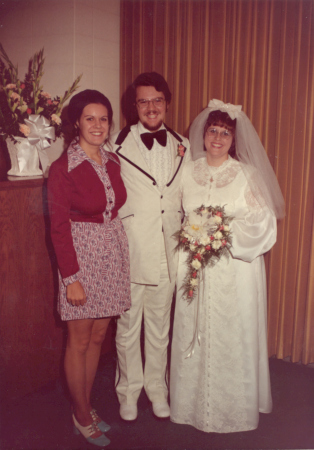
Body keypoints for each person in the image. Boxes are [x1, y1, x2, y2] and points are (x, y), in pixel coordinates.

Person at [170, 99, 285, 433]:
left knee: (230, 333)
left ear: (234, 139)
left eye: (225, 133)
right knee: (195, 331)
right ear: (203, 133)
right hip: (194, 267)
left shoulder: (246, 174)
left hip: (234, 269)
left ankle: (233, 406)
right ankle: (191, 405)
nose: (217, 138)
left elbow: (264, 223)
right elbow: (177, 213)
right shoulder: (188, 171)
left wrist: (220, 231)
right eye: (212, 131)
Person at [48, 90, 131, 447]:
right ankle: (81, 414)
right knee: (79, 340)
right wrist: (71, 279)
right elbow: (58, 227)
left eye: (103, 119)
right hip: (80, 257)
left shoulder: (112, 161)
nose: (97, 125)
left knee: (99, 337)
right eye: (89, 118)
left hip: (111, 250)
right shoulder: (62, 167)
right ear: (76, 123)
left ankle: (86, 405)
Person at [112, 72, 190, 421]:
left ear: (167, 103)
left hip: (168, 250)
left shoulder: (183, 145)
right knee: (128, 326)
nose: (151, 107)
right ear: (135, 106)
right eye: (143, 101)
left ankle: (157, 389)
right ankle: (127, 392)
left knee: (160, 326)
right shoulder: (116, 143)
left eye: (157, 100)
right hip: (132, 249)